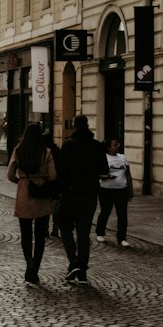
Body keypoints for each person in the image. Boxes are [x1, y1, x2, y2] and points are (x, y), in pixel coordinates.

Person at [58, 114, 110, 285]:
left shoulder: (68, 145)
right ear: (87, 125)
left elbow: (62, 172)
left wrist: (59, 192)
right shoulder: (97, 146)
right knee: (84, 233)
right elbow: (104, 171)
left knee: (65, 228)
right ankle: (82, 271)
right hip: (90, 195)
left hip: (70, 194)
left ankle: (73, 261)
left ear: (74, 126)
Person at [6, 122, 58, 285]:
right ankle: (35, 267)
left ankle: (29, 262)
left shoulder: (19, 150)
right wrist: (41, 178)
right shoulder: (46, 152)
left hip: (24, 191)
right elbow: (53, 176)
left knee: (26, 233)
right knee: (40, 234)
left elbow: (9, 175)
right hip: (41, 193)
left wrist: (22, 180)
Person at [96, 138, 132, 247]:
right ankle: (100, 232)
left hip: (121, 190)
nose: (117, 146)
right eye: (115, 145)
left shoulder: (122, 158)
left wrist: (130, 190)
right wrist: (105, 176)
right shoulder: (103, 158)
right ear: (108, 147)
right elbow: (96, 173)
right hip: (106, 190)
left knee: (122, 215)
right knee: (105, 212)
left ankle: (122, 238)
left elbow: (128, 174)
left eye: (117, 144)